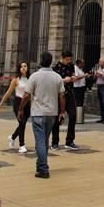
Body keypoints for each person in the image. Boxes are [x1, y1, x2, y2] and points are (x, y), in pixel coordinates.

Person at [19, 51, 65, 179]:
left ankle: (44, 169)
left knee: (40, 142)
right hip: (51, 113)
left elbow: (26, 95)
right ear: (51, 62)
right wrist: (62, 112)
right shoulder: (57, 77)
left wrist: (21, 109)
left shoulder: (34, 76)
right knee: (44, 141)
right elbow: (62, 96)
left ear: (40, 61)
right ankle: (40, 166)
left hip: (38, 113)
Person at [0, 61, 31, 153]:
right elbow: (8, 92)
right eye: (21, 66)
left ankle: (12, 137)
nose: (23, 68)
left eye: (25, 66)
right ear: (19, 69)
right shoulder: (15, 80)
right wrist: (0, 104)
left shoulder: (30, 80)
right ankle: (22, 145)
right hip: (18, 102)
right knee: (22, 122)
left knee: (23, 123)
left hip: (27, 103)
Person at [51, 50, 81, 149]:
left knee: (73, 115)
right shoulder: (56, 68)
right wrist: (64, 80)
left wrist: (74, 77)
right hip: (59, 94)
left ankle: (70, 140)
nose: (69, 61)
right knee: (57, 118)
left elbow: (73, 74)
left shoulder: (71, 66)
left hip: (69, 92)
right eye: (67, 59)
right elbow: (54, 81)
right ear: (62, 58)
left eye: (70, 59)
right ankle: (55, 142)